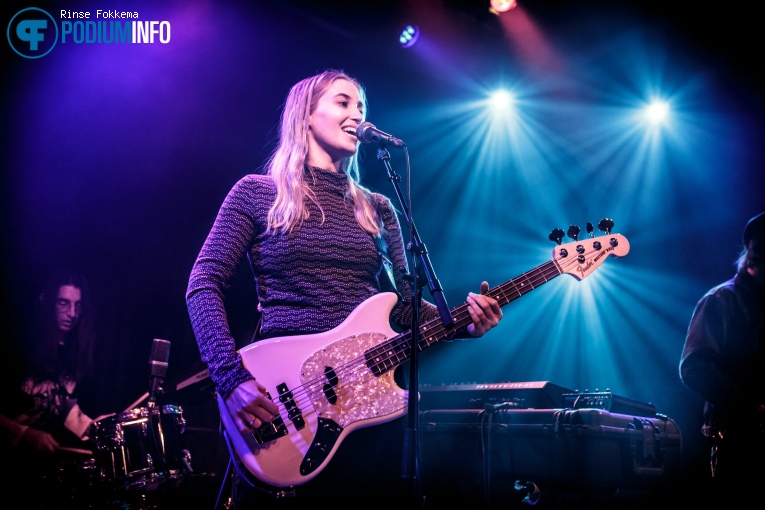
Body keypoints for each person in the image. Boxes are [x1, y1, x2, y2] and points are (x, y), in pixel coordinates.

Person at [185, 69, 503, 505]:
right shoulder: (257, 194)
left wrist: (464, 322)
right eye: (343, 102)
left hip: (368, 401)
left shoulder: (378, 207)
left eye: (362, 107)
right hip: (285, 396)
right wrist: (230, 377)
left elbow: (405, 312)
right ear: (306, 116)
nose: (357, 114)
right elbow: (203, 283)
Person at [679, 211, 765, 502]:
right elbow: (694, 366)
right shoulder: (722, 300)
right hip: (739, 445)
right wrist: (752, 407)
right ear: (755, 252)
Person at [0, 270, 103, 508]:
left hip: (40, 471)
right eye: (63, 303)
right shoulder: (16, 346)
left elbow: (63, 406)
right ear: (45, 301)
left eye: (78, 305)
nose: (72, 313)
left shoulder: (76, 353)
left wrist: (97, 429)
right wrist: (24, 433)